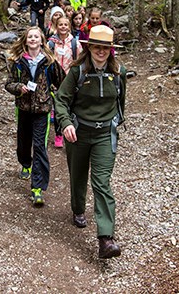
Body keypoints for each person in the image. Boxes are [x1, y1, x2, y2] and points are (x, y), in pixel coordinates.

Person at [55, 25, 126, 259]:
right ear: (89, 48)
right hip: (79, 133)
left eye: (105, 47)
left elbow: (120, 103)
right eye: (97, 46)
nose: (101, 51)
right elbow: (62, 100)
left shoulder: (118, 73)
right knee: (78, 175)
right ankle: (77, 209)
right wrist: (65, 123)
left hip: (105, 134)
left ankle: (106, 238)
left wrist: (115, 122)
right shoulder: (77, 72)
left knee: (102, 182)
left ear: (111, 50)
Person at [5, 26, 65, 206]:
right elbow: (8, 84)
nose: (32, 39)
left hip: (42, 110)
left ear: (41, 41)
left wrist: (61, 99)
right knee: (24, 143)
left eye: (36, 37)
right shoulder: (16, 61)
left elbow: (62, 81)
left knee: (40, 146)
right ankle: (25, 163)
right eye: (30, 37)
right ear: (25, 40)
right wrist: (18, 88)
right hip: (23, 108)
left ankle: (37, 188)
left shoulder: (49, 62)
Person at [48, 16, 82, 147]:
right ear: (56, 26)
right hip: (55, 80)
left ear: (69, 27)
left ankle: (72, 129)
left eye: (65, 25)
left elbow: (80, 59)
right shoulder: (51, 43)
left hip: (70, 79)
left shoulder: (74, 43)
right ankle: (58, 134)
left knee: (71, 105)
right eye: (60, 24)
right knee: (58, 106)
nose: (63, 27)